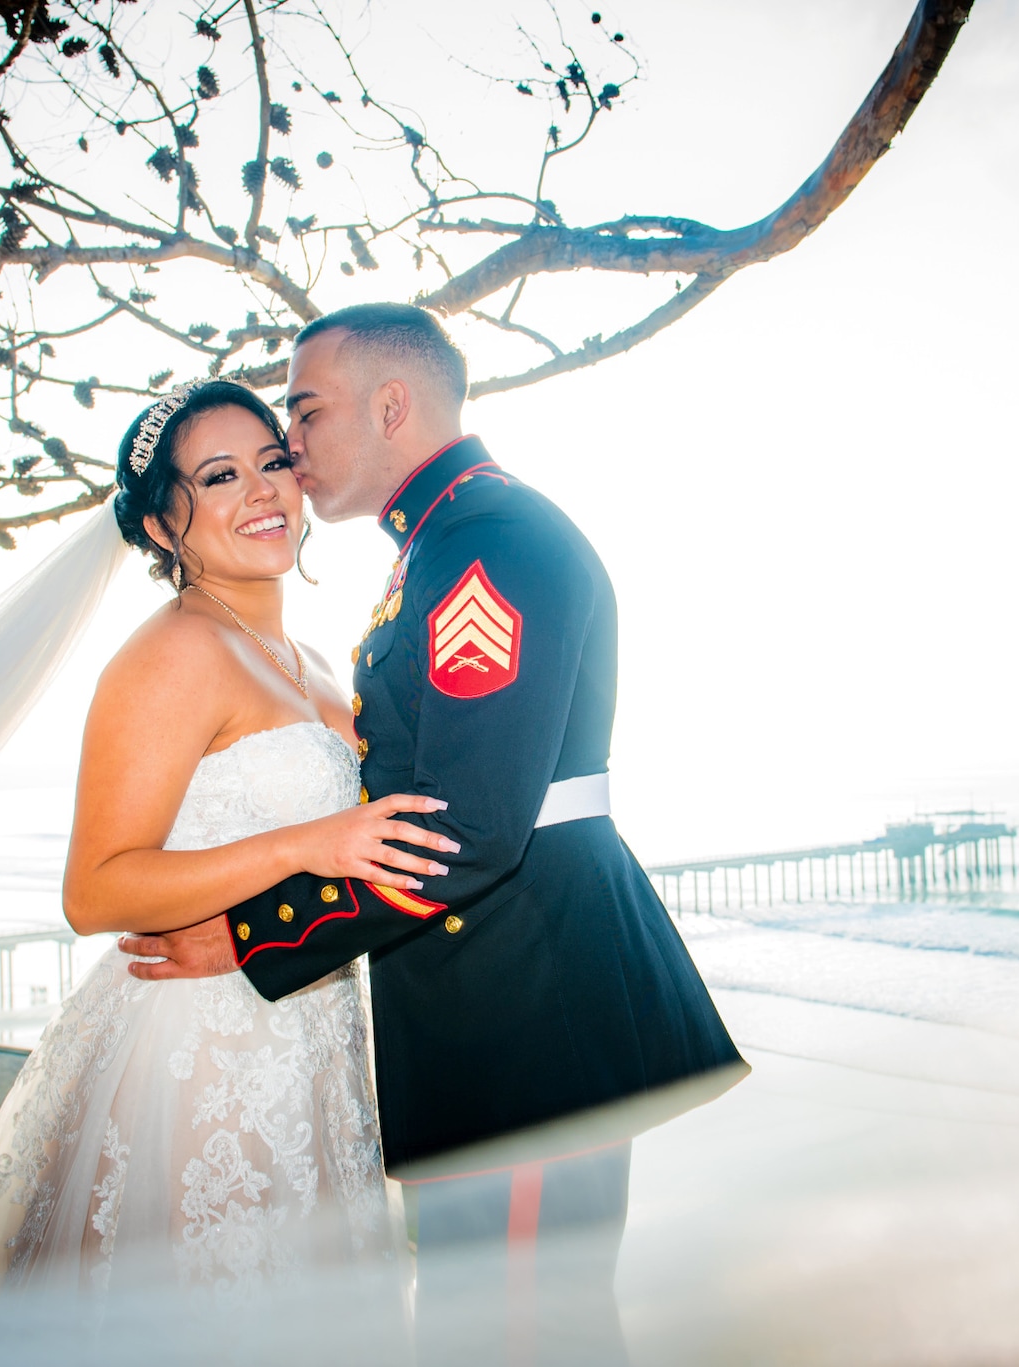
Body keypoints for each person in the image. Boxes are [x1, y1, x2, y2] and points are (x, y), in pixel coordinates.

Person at [116, 304, 746, 1361]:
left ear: (392, 403)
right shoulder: (446, 538)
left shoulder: (484, 541)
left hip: (522, 1006)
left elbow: (465, 832)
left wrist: (250, 936)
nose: (291, 449)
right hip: (496, 995)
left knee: (520, 1331)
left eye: (305, 414)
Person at [0, 379, 452, 1318]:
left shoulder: (313, 663)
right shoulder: (174, 652)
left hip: (315, 1035)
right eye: (220, 476)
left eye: (274, 461)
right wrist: (313, 840)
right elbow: (97, 889)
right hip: (202, 1048)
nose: (264, 492)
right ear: (163, 526)